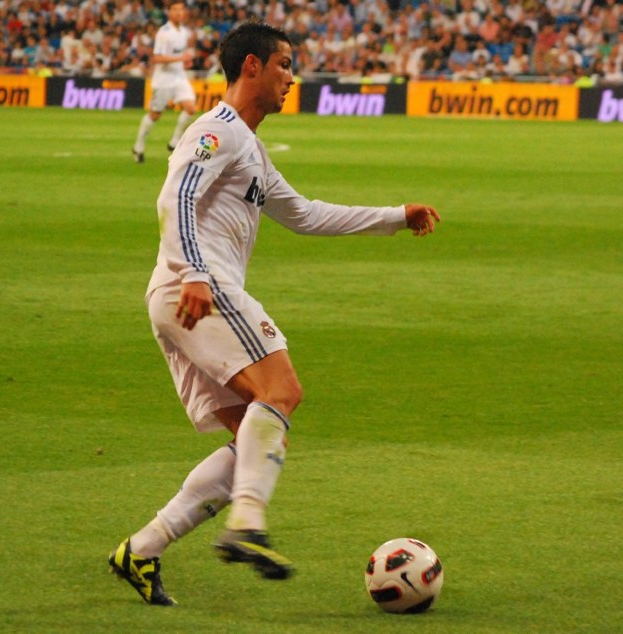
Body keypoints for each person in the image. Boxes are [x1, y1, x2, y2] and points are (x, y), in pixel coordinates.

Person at [107, 22, 441, 606]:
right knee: (282, 391)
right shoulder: (217, 130)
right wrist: (195, 274)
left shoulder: (251, 150)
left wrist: (395, 214)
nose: (293, 76)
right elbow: (175, 196)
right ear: (253, 67)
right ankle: (247, 525)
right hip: (198, 287)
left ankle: (141, 550)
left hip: (185, 293)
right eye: (285, 64)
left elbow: (307, 214)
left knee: (251, 441)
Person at [132, 1, 197, 163]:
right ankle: (138, 146)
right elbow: (158, 58)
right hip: (163, 80)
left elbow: (179, 54)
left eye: (181, 10)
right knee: (155, 115)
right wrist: (180, 58)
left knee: (191, 108)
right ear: (169, 13)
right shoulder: (164, 33)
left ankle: (175, 142)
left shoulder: (183, 31)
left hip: (179, 77)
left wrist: (185, 62)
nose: (179, 13)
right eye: (175, 10)